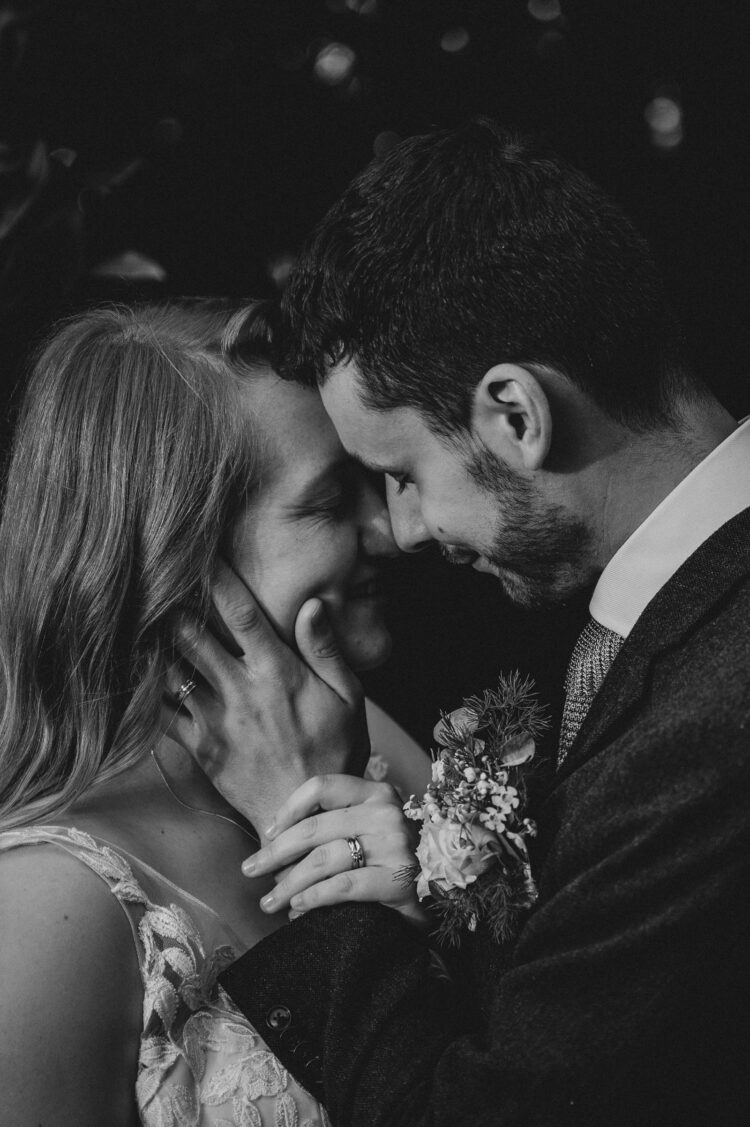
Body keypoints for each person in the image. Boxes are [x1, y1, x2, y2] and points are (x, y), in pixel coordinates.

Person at [171, 121, 750, 1126]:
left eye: (404, 475)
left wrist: (311, 849)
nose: (402, 528)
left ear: (515, 414)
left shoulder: (711, 717)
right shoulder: (663, 625)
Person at [0, 298, 430, 1126]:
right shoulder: (46, 911)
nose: (392, 528)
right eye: (332, 501)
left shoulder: (366, 744)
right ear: (181, 565)